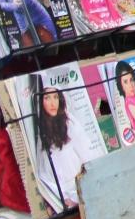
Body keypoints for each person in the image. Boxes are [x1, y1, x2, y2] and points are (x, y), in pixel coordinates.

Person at [33, 81, 103, 209]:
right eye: (47, 98)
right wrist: (64, 198)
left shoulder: (68, 122)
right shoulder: (41, 133)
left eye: (55, 97)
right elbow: (44, 174)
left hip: (83, 186)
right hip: (63, 198)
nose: (53, 103)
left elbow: (88, 154)